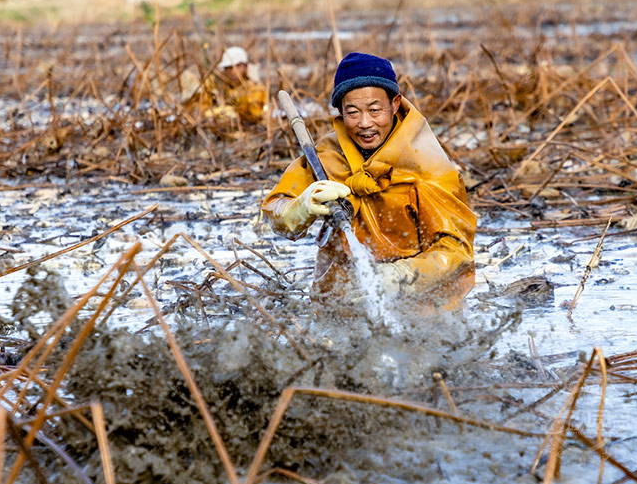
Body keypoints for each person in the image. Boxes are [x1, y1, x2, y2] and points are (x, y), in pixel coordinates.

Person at [262, 52, 477, 314]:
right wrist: (300, 208)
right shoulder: (325, 158)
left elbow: (456, 252)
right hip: (342, 306)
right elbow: (276, 213)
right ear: (340, 111)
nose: (365, 123)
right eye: (353, 112)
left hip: (420, 311)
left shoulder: (427, 167)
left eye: (375, 110)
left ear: (395, 104)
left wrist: (399, 276)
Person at [181, 46, 268, 128]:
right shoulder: (214, 82)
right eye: (228, 68)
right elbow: (201, 107)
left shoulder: (255, 87)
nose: (233, 71)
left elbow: (256, 115)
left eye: (237, 66)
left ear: (245, 66)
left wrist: (236, 115)